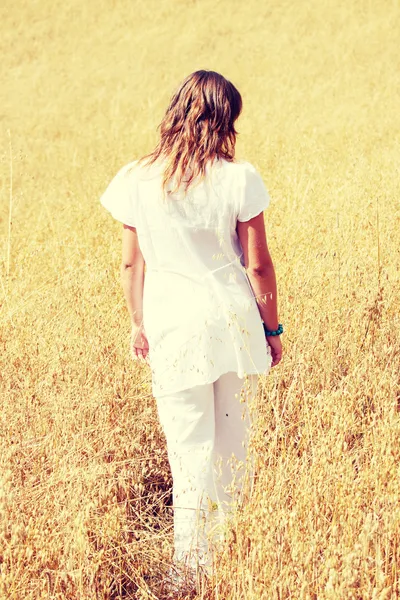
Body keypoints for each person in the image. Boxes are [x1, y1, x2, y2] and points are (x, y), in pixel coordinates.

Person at [100, 70, 283, 578]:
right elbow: (258, 265)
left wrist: (139, 323)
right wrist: (272, 331)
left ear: (177, 110)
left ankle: (190, 570)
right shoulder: (239, 177)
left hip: (173, 326)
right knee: (232, 446)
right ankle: (231, 560)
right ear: (226, 119)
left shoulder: (136, 178)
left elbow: (131, 265)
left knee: (188, 448)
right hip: (233, 323)